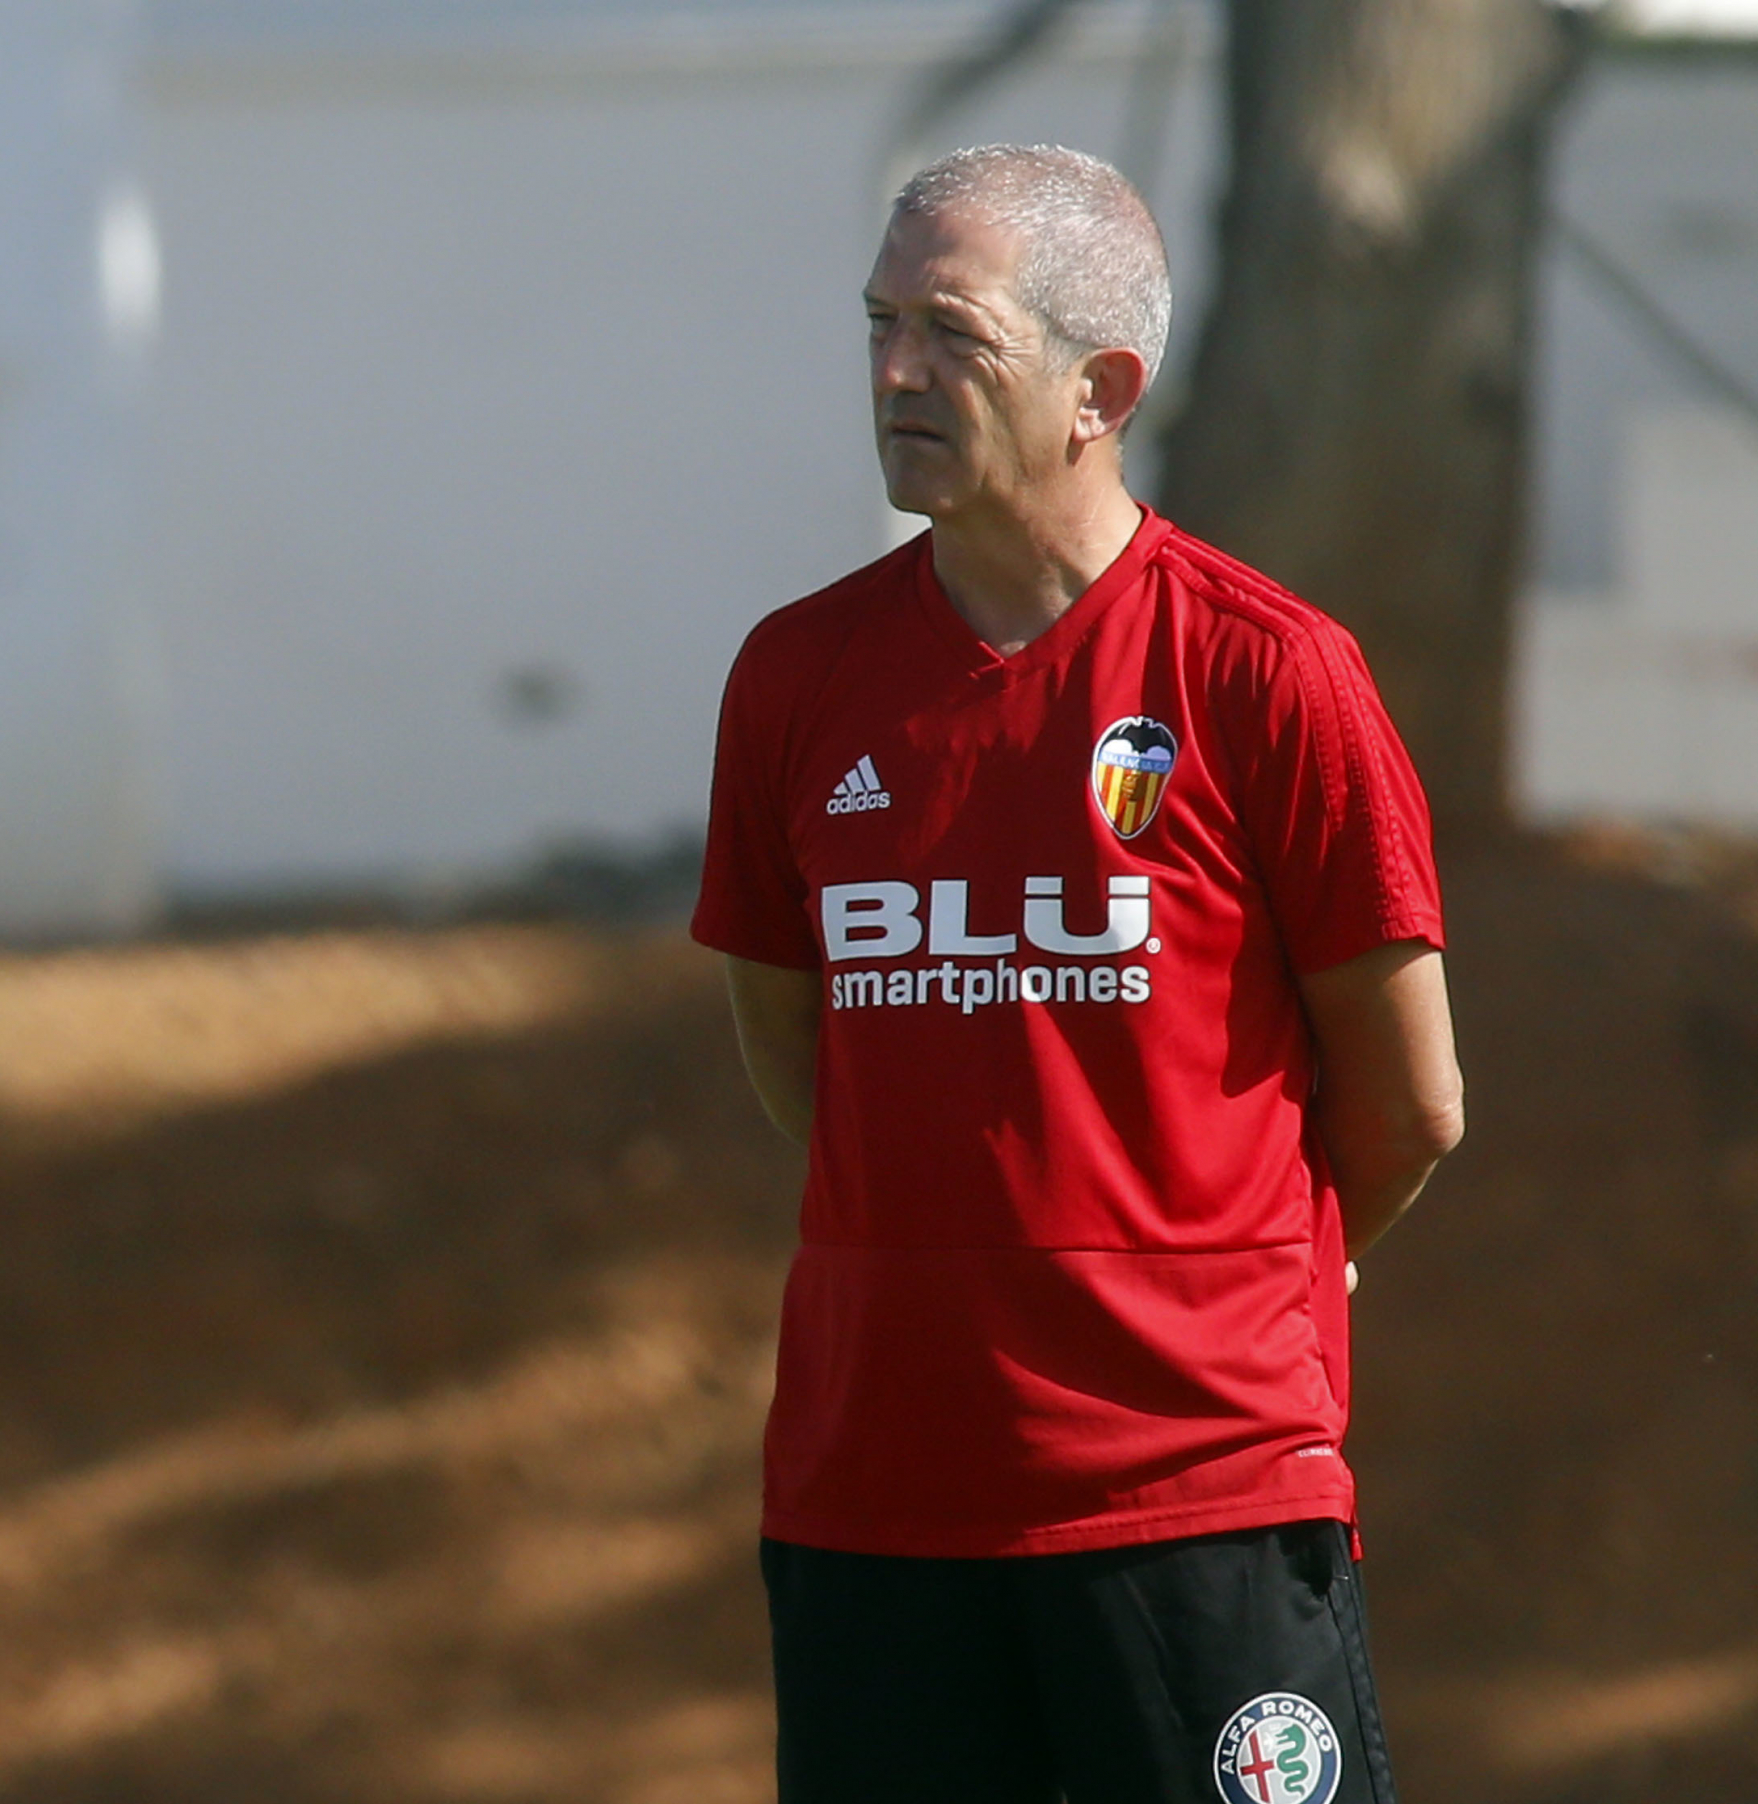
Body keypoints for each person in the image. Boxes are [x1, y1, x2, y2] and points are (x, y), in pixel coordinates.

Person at [693, 145, 1462, 1804]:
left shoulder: (1268, 673)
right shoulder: (796, 679)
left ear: (1099, 386)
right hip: (873, 1497)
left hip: (1199, 1502)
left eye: (950, 335)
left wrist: (1218, 1285)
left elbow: (1408, 1105)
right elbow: (804, 1059)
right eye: (880, 324)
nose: (894, 372)